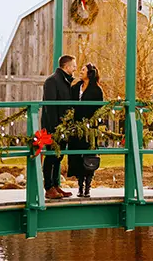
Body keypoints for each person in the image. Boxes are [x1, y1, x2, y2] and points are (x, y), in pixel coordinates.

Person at [41, 55, 77, 199]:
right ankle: (48, 187)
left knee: (59, 156)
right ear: (66, 67)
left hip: (64, 127)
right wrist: (55, 128)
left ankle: (56, 185)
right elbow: (50, 107)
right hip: (53, 127)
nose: (75, 68)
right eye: (73, 66)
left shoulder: (66, 82)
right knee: (51, 156)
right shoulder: (52, 81)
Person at [68, 63, 104, 197]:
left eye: (83, 70)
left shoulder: (96, 90)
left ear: (90, 73)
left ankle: (88, 186)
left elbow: (99, 109)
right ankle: (80, 186)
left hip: (89, 128)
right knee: (77, 156)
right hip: (76, 126)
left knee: (89, 156)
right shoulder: (76, 87)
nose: (80, 72)